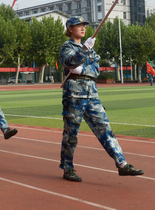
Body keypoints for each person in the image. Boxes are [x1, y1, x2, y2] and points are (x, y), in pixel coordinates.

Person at [59, 16, 143, 182]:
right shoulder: (67, 47)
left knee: (105, 128)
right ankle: (68, 168)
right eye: (78, 26)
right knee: (71, 133)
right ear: (70, 29)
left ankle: (122, 163)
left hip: (92, 94)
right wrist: (83, 52)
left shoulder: (90, 48)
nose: (83, 28)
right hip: (74, 95)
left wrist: (82, 69)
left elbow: (96, 70)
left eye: (84, 26)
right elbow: (70, 61)